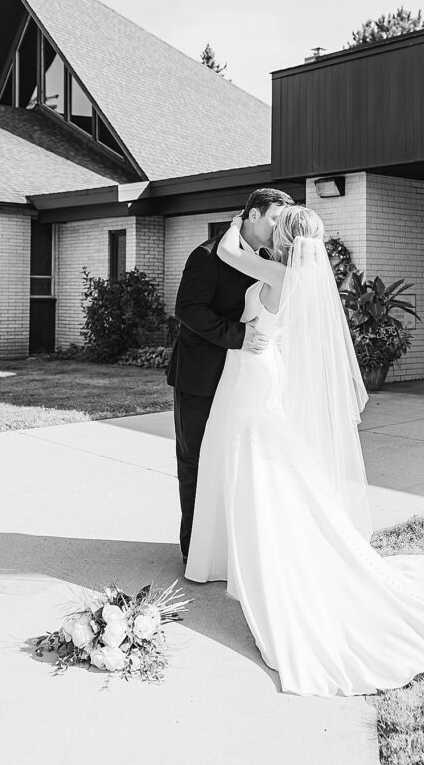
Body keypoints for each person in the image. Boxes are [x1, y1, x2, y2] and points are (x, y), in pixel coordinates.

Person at [184, 205, 424, 697]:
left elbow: (233, 249)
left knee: (260, 464)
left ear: (289, 240)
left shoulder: (276, 271)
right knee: (265, 466)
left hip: (254, 373)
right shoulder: (293, 275)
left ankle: (268, 556)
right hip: (256, 368)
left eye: (277, 225)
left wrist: (240, 219)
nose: (270, 228)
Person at [166, 188, 295, 565]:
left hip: (245, 381)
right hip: (201, 377)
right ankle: (196, 548)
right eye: (274, 218)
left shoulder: (270, 258)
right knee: (196, 461)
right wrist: (240, 337)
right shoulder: (206, 255)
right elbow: (187, 310)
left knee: (237, 463)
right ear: (252, 216)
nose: (278, 227)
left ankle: (228, 547)